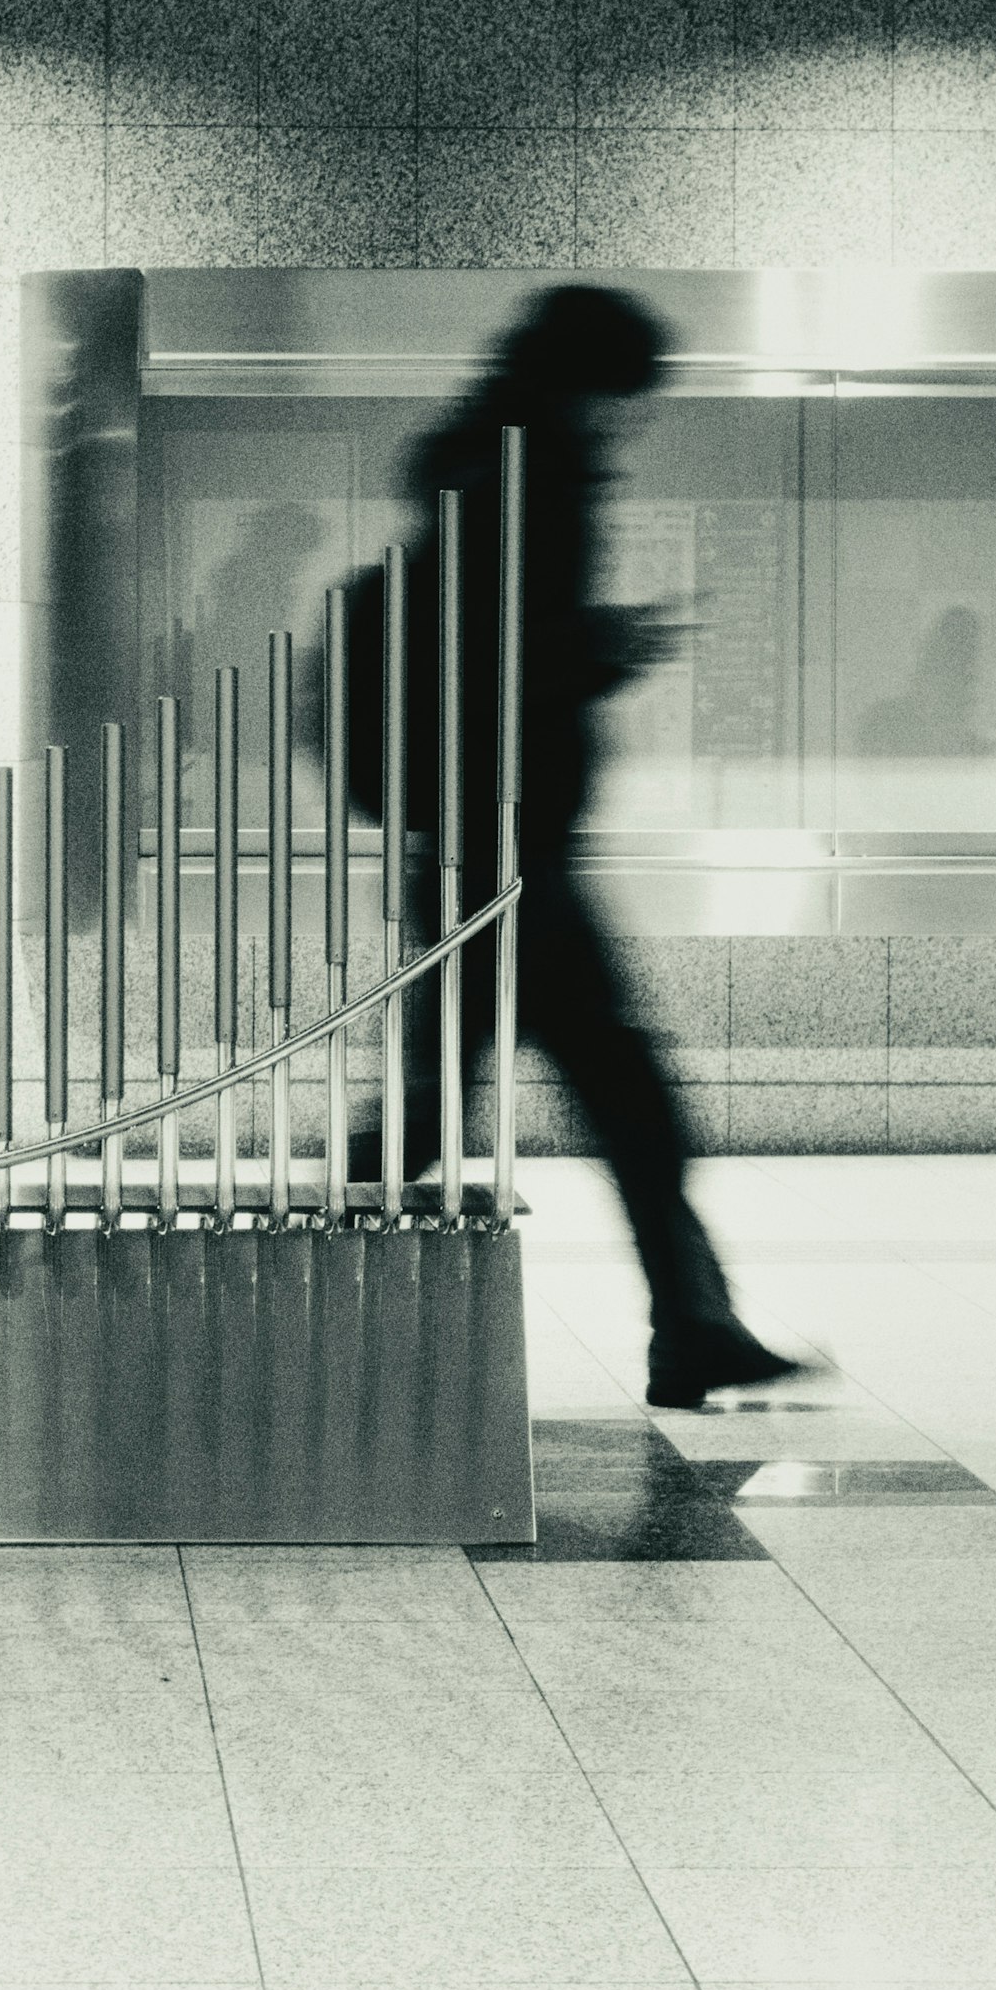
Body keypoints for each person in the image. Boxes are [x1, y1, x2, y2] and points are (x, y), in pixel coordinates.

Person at [340, 286, 801, 1410]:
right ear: (586, 383)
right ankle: (693, 1325)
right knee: (622, 1102)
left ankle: (695, 1319)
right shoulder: (524, 478)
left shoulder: (493, 467)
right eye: (623, 399)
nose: (626, 423)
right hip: (511, 856)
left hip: (476, 849)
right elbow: (498, 665)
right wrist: (603, 648)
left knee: (441, 1107)